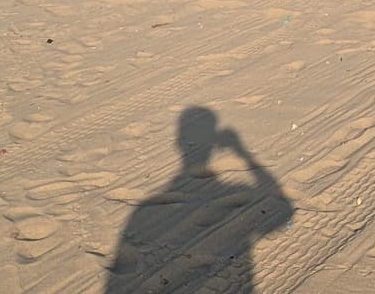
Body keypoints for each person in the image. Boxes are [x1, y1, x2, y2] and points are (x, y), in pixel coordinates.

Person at [107, 105, 290, 294]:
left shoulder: (141, 211)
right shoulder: (236, 188)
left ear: (179, 142)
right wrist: (242, 152)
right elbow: (282, 215)